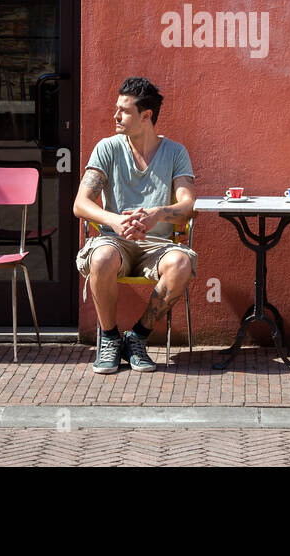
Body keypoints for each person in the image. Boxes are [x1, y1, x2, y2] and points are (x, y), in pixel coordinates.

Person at [74, 77, 196, 374]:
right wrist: (114, 220)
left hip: (158, 246)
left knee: (181, 263)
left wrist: (158, 214)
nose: (116, 116)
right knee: (101, 257)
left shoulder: (175, 153)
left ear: (146, 115)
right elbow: (80, 204)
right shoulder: (108, 148)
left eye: (124, 111)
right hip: (114, 242)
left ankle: (138, 338)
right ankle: (110, 338)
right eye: (117, 109)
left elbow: (187, 205)